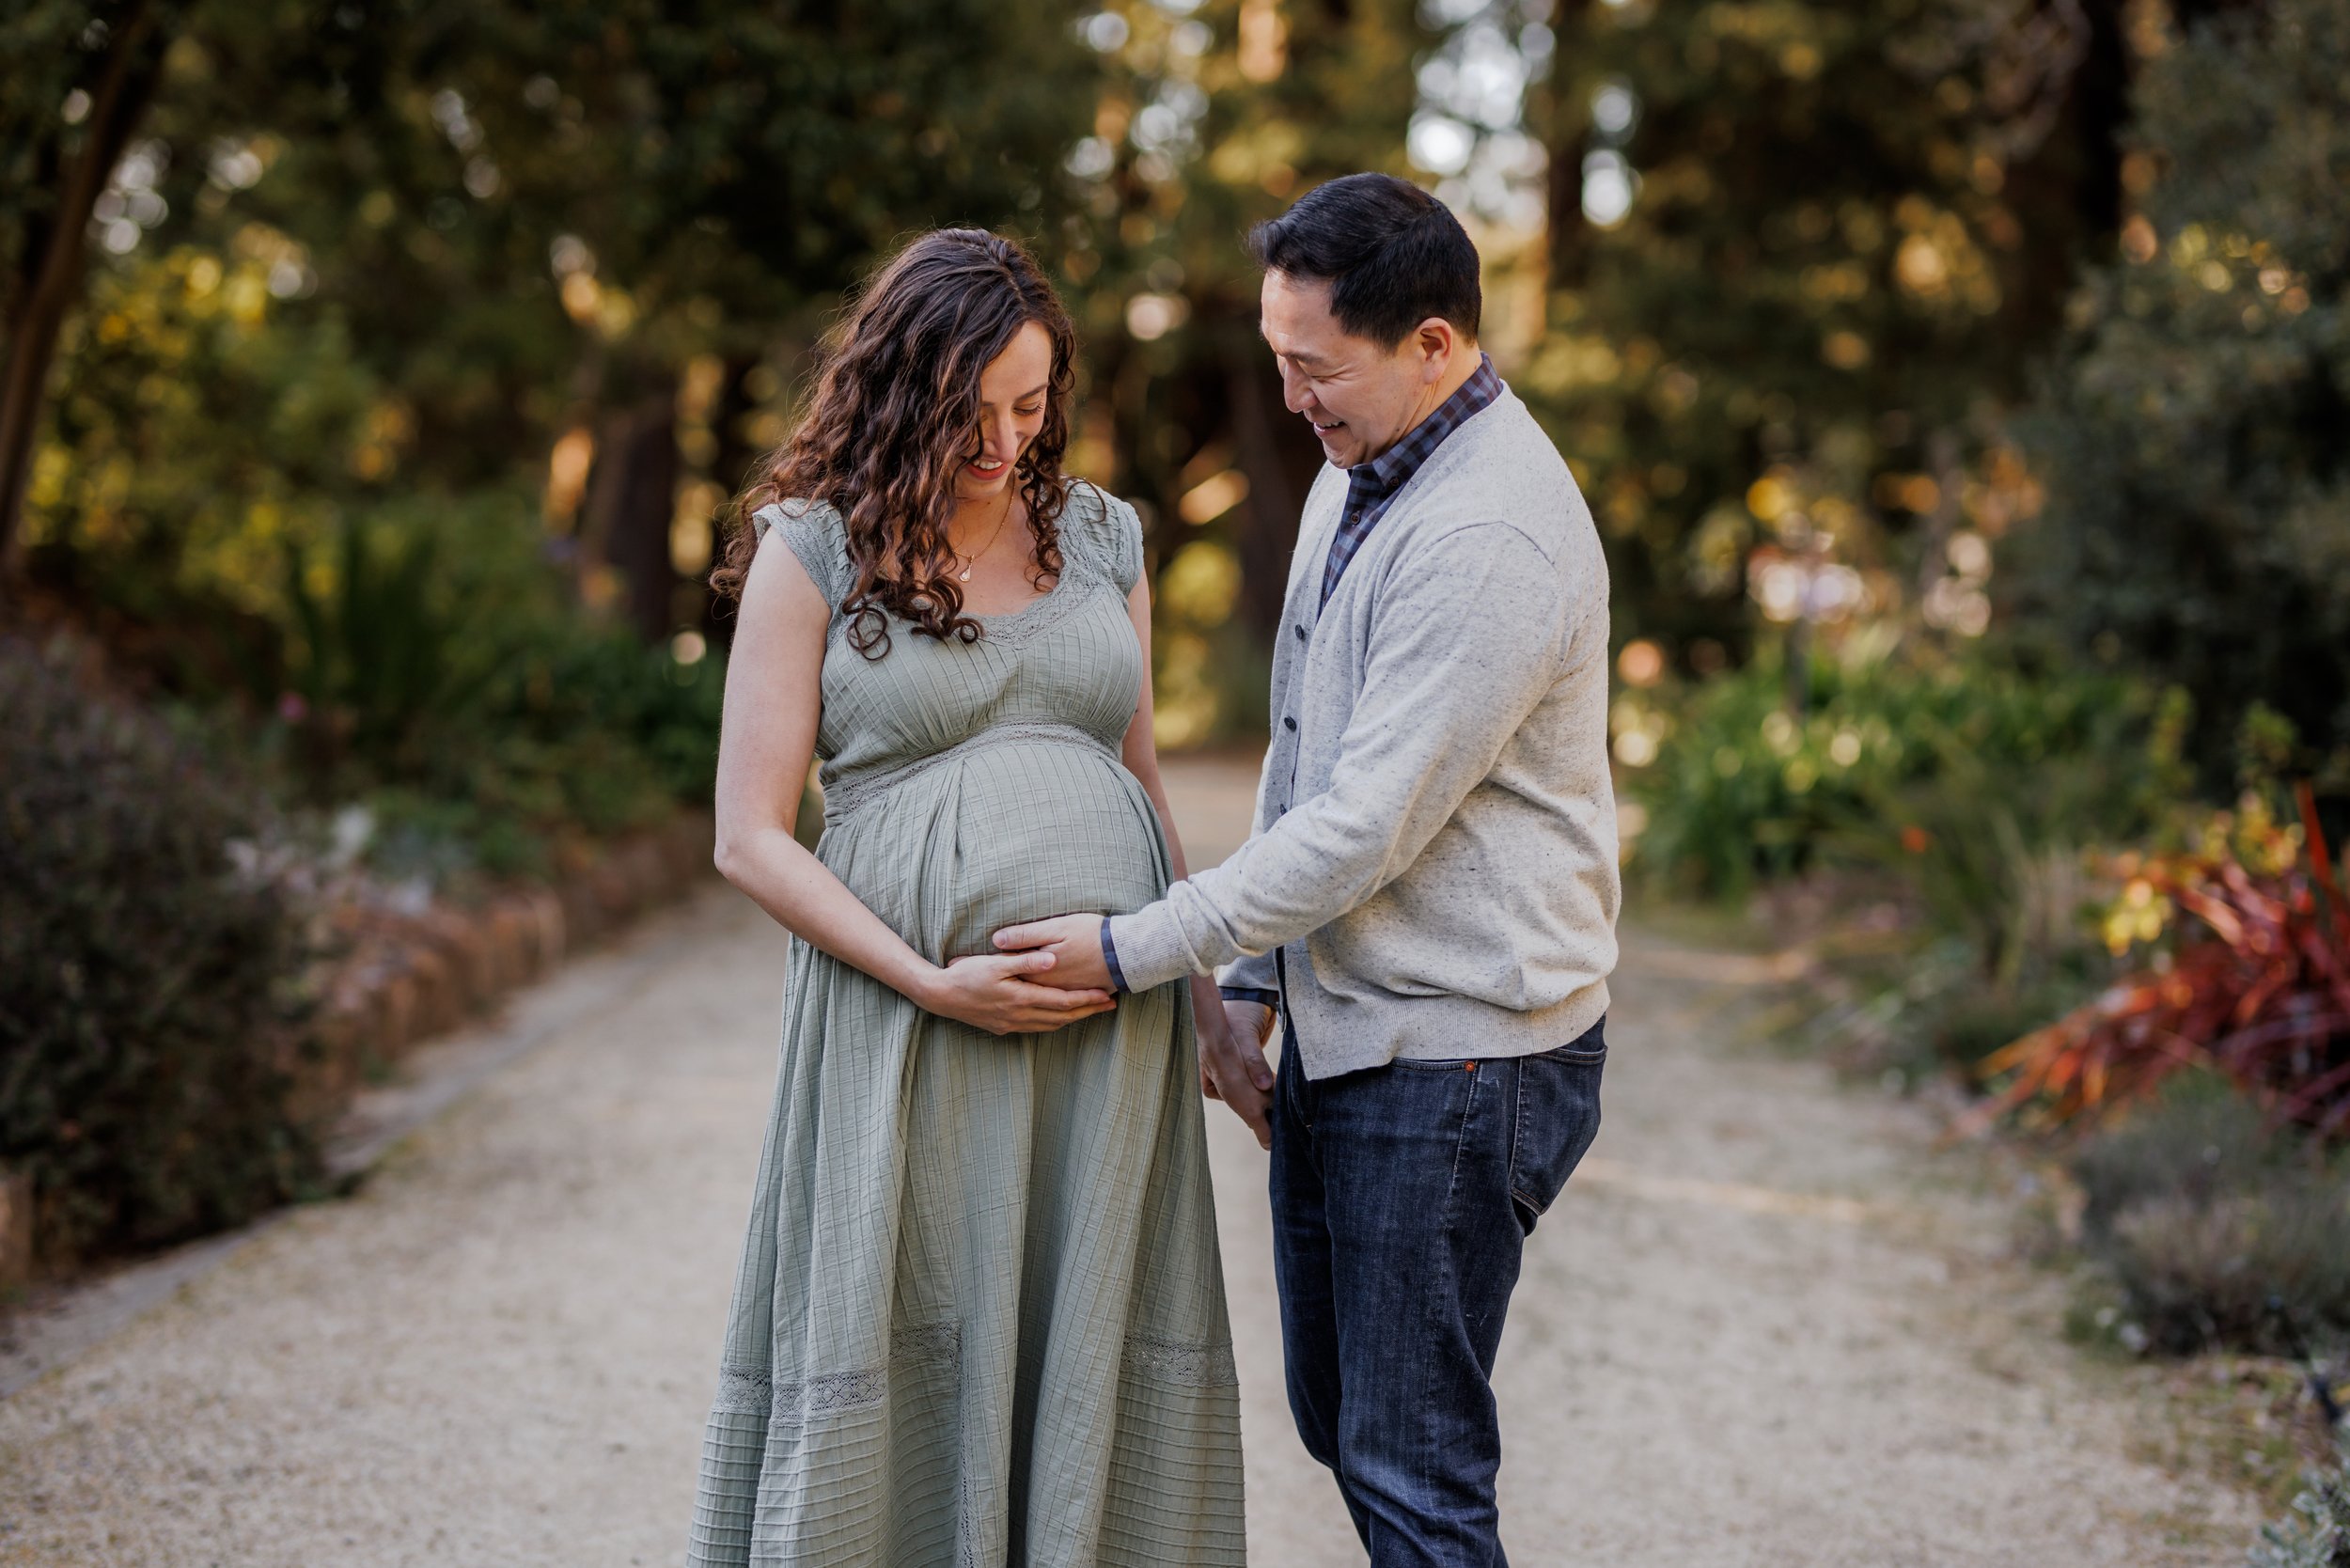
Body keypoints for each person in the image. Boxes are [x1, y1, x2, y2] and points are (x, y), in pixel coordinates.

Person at [995, 174, 1620, 1567]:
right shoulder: (1367, 469)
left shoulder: (1486, 535)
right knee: (1344, 1422)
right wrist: (1251, 989)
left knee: (1412, 1465)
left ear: (1435, 347)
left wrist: (1126, 950)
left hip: (1461, 1057)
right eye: (1278, 359)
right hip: (1362, 1040)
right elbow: (1301, 746)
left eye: (1314, 367)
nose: (1290, 400)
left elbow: (1359, 826)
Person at [686, 228, 1246, 1568]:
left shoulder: (1104, 536)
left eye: (1031, 401)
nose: (1004, 440)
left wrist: (1209, 1006)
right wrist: (931, 978)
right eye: (971, 408)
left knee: (1087, 1330)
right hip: (906, 1028)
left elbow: (1141, 780)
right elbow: (748, 839)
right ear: (898, 388)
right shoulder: (812, 552)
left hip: (1109, 1043)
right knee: (914, 1316)